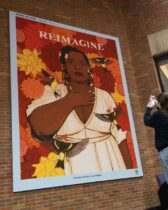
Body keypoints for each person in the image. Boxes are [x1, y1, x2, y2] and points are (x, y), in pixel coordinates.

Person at [27, 45, 132, 175]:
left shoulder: (104, 95)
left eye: (82, 63)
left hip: (111, 160)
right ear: (64, 67)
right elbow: (39, 128)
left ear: (88, 68)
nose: (77, 67)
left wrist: (131, 172)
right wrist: (70, 101)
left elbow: (119, 136)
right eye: (71, 63)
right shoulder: (55, 92)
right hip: (76, 165)